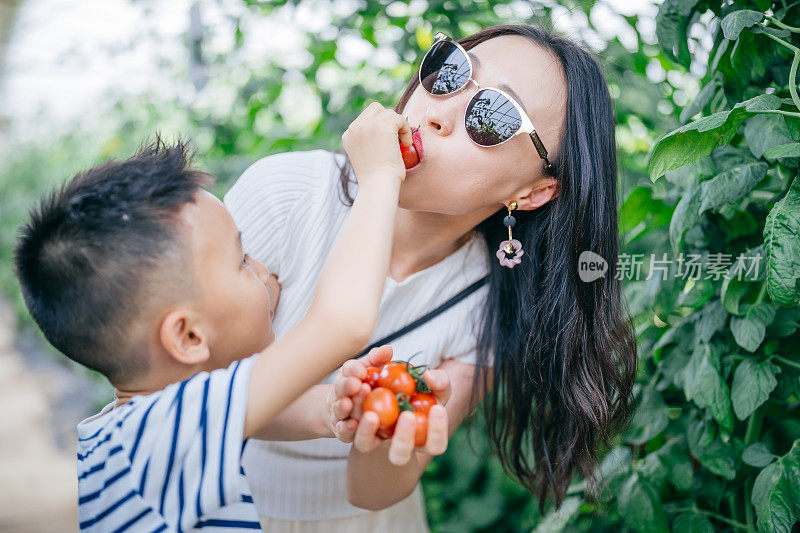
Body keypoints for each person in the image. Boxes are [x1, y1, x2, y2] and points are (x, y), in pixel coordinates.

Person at [226, 23, 638, 530]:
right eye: (450, 71)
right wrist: (334, 408)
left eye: (491, 114)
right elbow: (202, 388)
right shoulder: (288, 195)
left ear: (532, 192)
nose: (438, 113)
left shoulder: (491, 304)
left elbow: (373, 491)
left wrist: (388, 433)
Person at [12, 102, 415, 531]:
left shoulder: (140, 432)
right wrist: (378, 177)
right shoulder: (163, 435)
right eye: (242, 261)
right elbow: (342, 323)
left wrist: (327, 407)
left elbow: (250, 410)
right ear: (187, 337)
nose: (263, 269)